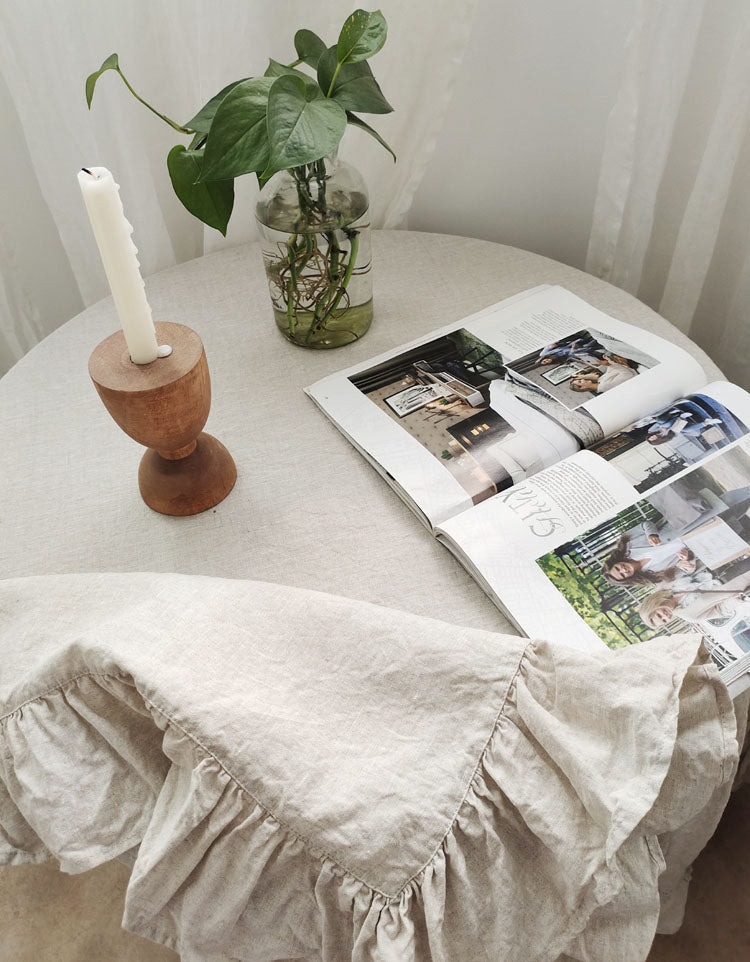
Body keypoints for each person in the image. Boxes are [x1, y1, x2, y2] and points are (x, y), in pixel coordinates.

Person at [638, 570, 750, 628]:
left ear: (652, 606)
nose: (665, 616)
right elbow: (719, 610)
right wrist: (735, 601)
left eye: (659, 615)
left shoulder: (664, 584)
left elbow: (680, 566)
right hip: (736, 582)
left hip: (720, 559)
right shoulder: (690, 616)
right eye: (664, 621)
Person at [569, 359, 638, 394]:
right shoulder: (604, 386)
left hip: (622, 364)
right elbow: (628, 375)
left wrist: (608, 362)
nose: (583, 379)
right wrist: (609, 364)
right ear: (583, 387)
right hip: (630, 368)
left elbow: (610, 371)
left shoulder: (599, 381)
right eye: (580, 381)